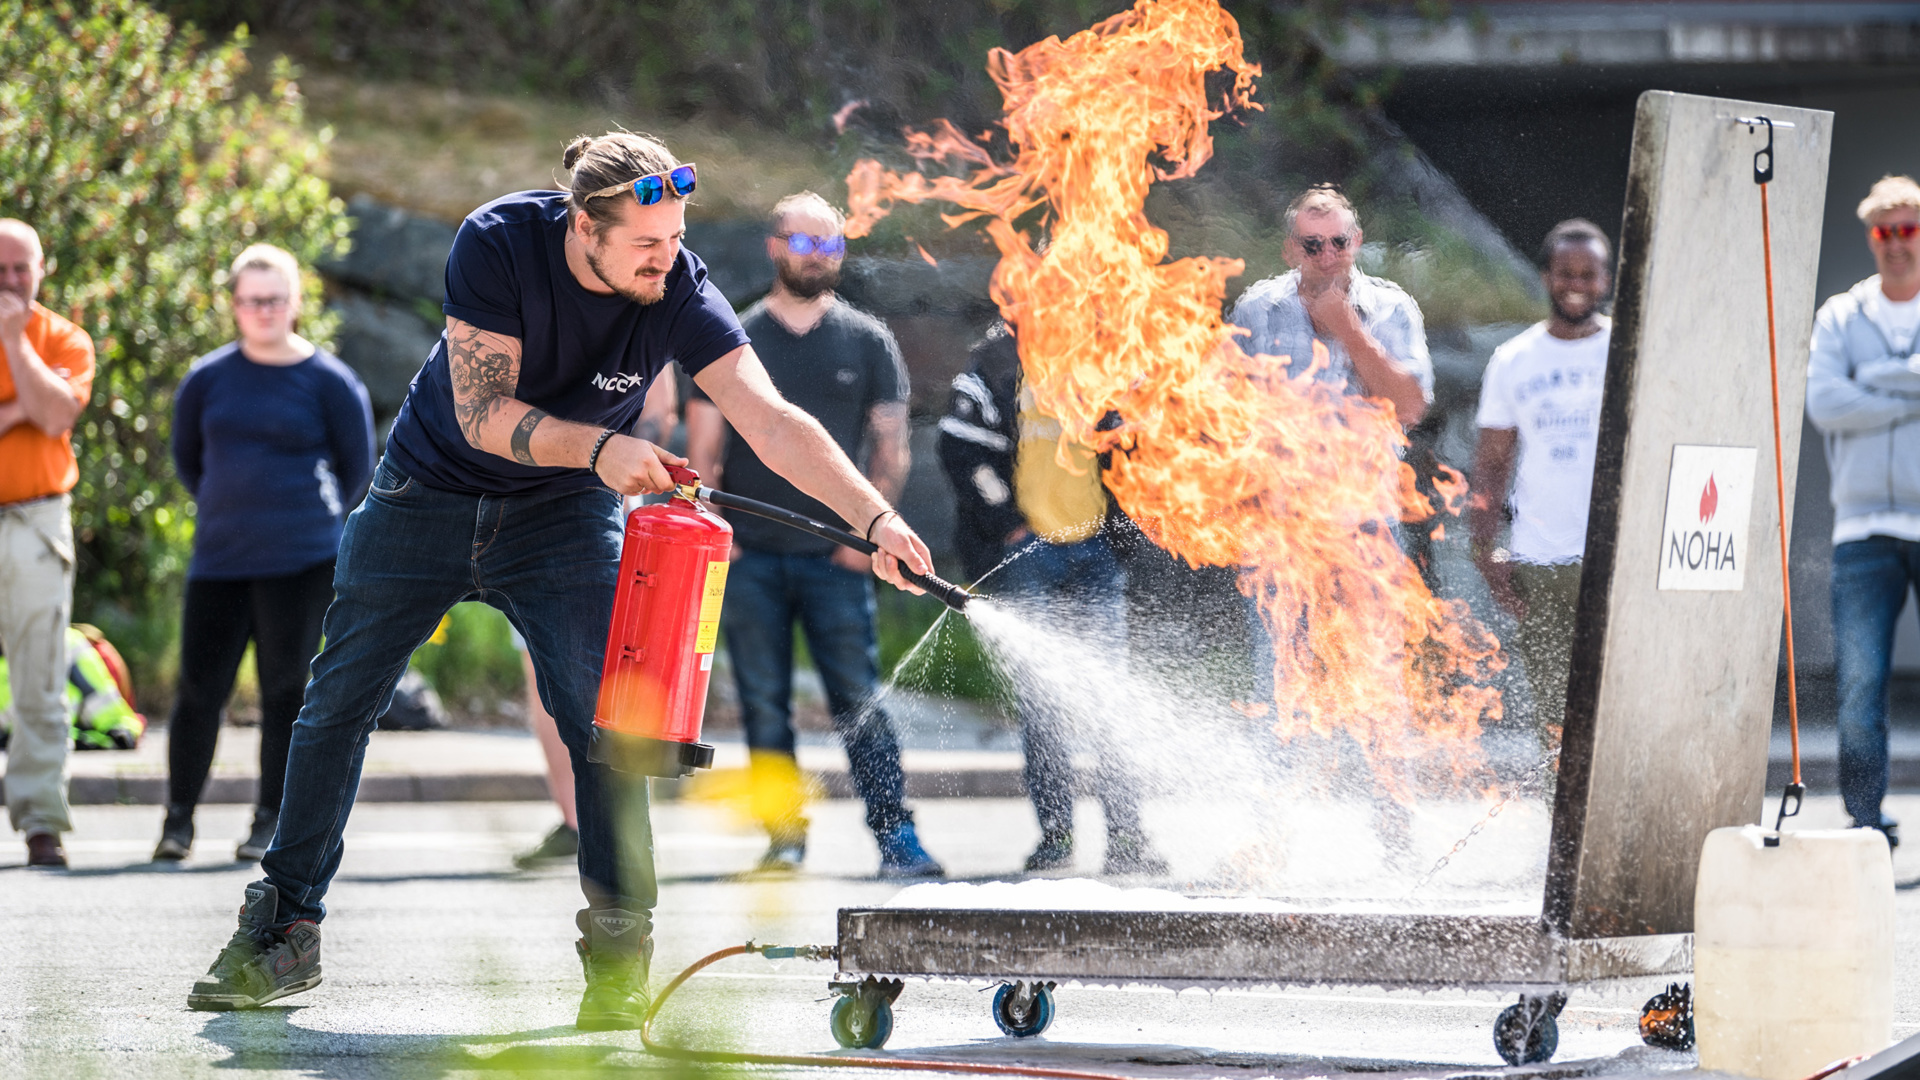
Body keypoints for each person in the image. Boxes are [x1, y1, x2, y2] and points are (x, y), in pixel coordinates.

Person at [184, 134, 942, 1026]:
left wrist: (876, 519)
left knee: (608, 723)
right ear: (586, 226)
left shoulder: (679, 286)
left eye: (677, 239)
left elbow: (770, 420)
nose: (670, 260)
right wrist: (605, 448)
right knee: (336, 704)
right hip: (427, 495)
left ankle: (619, 959)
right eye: (647, 246)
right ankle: (281, 931)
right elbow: (480, 413)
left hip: (563, 516)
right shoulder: (499, 241)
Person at [685, 191, 943, 878]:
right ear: (774, 247)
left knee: (860, 699)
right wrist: (722, 535)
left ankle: (897, 838)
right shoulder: (735, 339)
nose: (819, 256)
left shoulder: (868, 340)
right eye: (805, 243)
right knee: (765, 704)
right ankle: (784, 837)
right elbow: (703, 446)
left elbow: (891, 449)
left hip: (838, 559)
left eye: (831, 244)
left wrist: (866, 539)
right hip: (750, 558)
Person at [157, 244, 375, 863]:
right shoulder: (207, 378)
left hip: (302, 561)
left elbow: (356, 468)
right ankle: (177, 821)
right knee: (199, 690)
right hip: (221, 559)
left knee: (286, 691)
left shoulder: (331, 381)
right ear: (234, 306)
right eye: (252, 301)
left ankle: (268, 820)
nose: (264, 311)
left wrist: (303, 521)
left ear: (295, 303)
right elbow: (188, 461)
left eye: (275, 299)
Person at [939, 321, 1169, 875]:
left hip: (1096, 552)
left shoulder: (1110, 356)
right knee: (1043, 707)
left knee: (1108, 699)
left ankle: (1128, 837)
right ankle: (1058, 836)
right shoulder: (995, 359)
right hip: (1028, 554)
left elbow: (1141, 455)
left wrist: (1122, 532)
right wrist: (1007, 523)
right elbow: (961, 449)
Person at [1226, 185, 1433, 699]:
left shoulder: (1391, 308)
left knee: (1376, 689)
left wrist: (1348, 330)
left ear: (1356, 241)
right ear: (1290, 249)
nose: (1326, 256)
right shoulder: (1258, 308)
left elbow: (1409, 407)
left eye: (1336, 242)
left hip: (1366, 527)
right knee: (1284, 689)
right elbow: (1227, 410)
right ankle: (1288, 780)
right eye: (1311, 244)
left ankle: (1376, 782)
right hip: (1284, 530)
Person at [514, 373, 679, 871]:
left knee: (620, 680)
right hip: (528, 512)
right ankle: (572, 822)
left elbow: (657, 416)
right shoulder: (527, 307)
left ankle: (624, 827)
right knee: (541, 676)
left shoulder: (641, 312)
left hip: (608, 512)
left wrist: (606, 449)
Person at [1805, 174, 1920, 851]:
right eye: (1886, 231)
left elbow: (1849, 397)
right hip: (1862, 531)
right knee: (1858, 689)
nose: (1897, 244)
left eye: (1909, 229)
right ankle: (1866, 824)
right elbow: (1824, 404)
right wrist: (1910, 391)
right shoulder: (1842, 317)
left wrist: (1870, 382)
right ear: (1871, 237)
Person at [1470, 220, 1613, 750]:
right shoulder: (1514, 359)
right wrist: (1485, 548)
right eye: (1565, 272)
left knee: (1613, 703)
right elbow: (1491, 461)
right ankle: (1563, 828)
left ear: (1605, 280)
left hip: (1613, 558)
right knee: (1555, 712)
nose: (1576, 283)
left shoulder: (1626, 352)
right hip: (1539, 560)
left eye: (1589, 274)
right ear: (1546, 276)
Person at [0, 218, 94, 870]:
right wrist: (20, 410)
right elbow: (41, 407)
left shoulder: (62, 336)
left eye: (20, 270)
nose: (10, 283)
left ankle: (41, 822)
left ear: (42, 268)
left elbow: (58, 413)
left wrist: (13, 342)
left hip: (37, 520)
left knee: (39, 679)